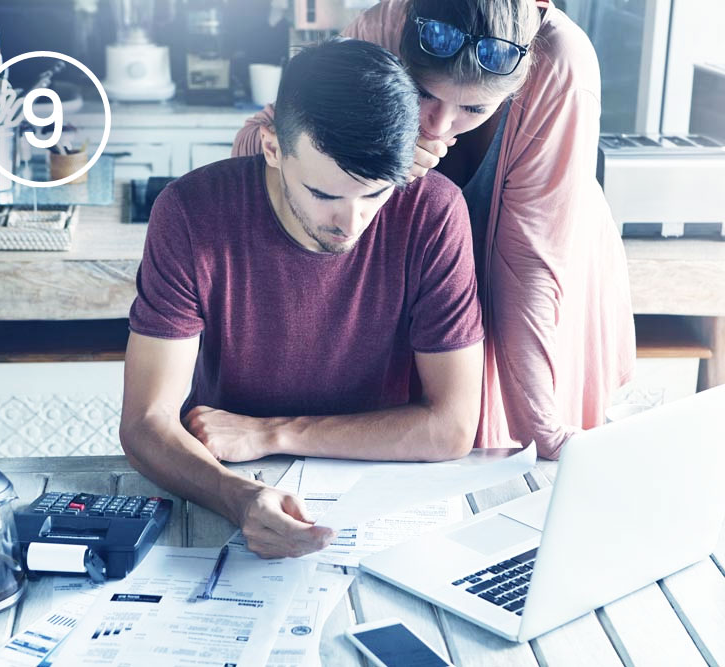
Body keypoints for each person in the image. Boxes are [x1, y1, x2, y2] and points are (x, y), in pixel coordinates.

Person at [121, 39, 485, 559]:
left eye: (376, 194)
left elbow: (451, 428)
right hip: (230, 478)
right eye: (324, 194)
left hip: (382, 494)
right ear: (272, 147)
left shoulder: (435, 213)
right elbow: (144, 422)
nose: (352, 223)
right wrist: (241, 499)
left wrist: (272, 433)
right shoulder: (189, 212)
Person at [233, 0, 637, 460]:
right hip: (429, 292)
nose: (441, 124)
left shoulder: (559, 61)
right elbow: (259, 144)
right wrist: (378, 147)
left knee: (515, 458)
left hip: (543, 279)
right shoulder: (381, 27)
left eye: (474, 106)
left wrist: (545, 426)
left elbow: (529, 264)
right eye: (423, 92)